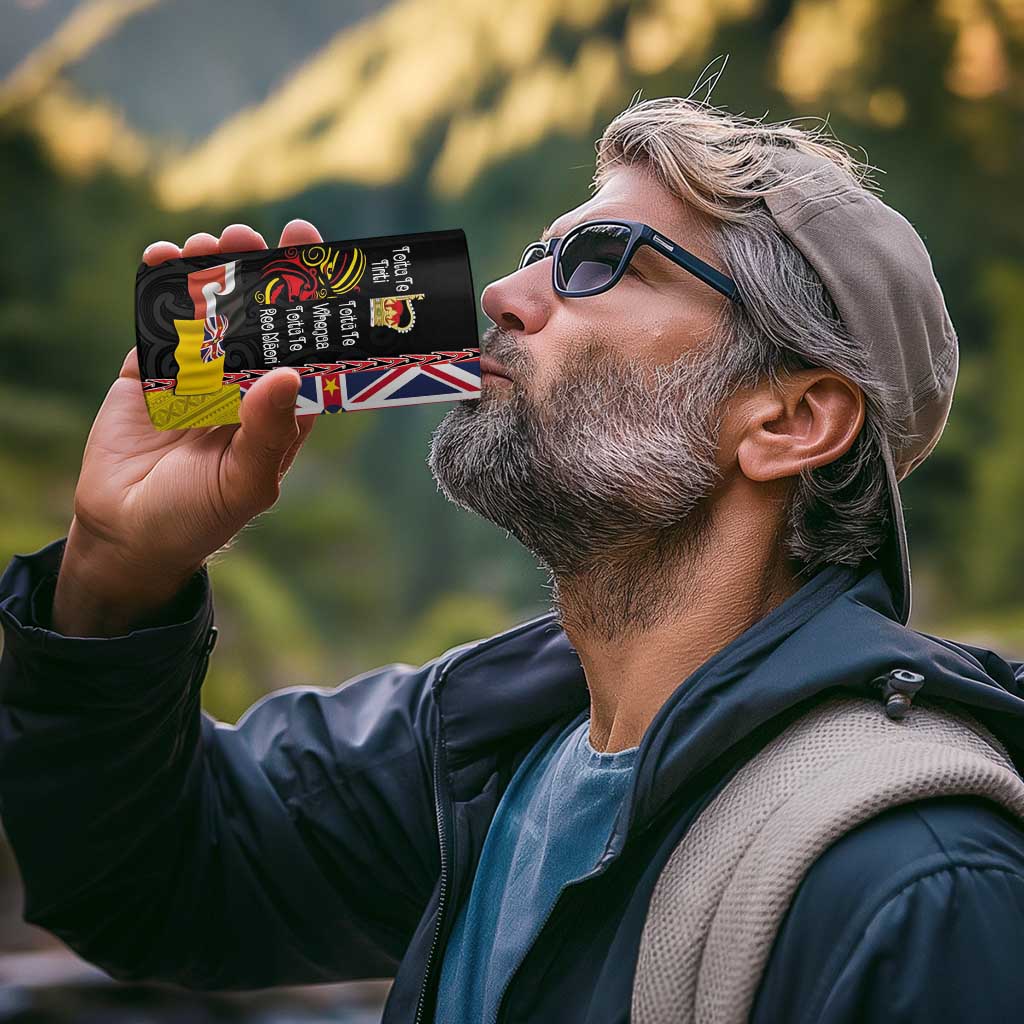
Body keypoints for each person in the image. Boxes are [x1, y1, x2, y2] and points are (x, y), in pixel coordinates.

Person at [2, 95, 1024, 1024]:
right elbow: (149, 880)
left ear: (791, 419)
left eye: (599, 261)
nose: (502, 291)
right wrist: (115, 571)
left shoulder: (918, 884)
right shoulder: (479, 748)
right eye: (540, 252)